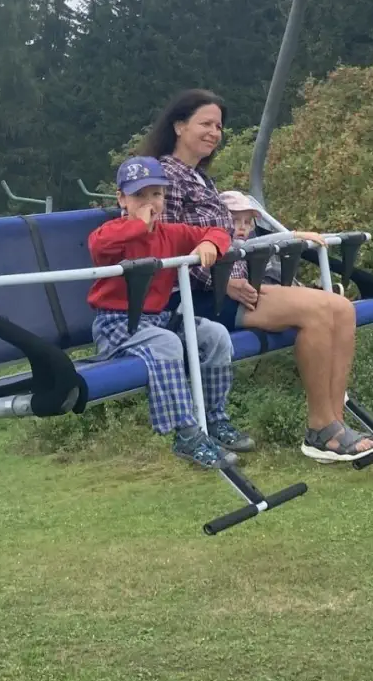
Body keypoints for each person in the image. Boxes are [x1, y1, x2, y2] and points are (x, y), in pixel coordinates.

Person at [143, 89, 373, 464]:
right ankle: (321, 429)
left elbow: (227, 241)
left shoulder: (200, 179)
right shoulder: (164, 178)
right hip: (195, 299)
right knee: (317, 313)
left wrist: (280, 242)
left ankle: (335, 423)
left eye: (218, 126)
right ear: (178, 126)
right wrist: (222, 282)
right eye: (205, 123)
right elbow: (161, 247)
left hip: (233, 288)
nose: (214, 132)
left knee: (341, 308)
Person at [87, 156, 256, 471]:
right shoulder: (111, 233)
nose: (149, 203)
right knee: (167, 344)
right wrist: (138, 225)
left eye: (156, 194)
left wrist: (210, 244)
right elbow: (99, 246)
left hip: (157, 319)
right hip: (116, 322)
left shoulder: (171, 234)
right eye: (139, 195)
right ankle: (186, 433)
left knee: (215, 334)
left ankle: (214, 417)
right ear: (122, 199)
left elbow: (219, 232)